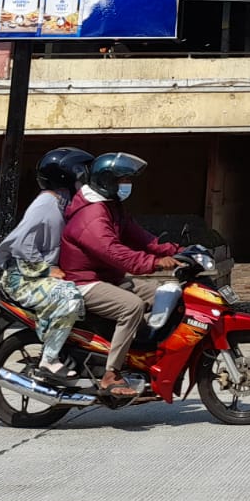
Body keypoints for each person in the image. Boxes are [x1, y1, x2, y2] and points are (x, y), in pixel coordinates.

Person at [59, 152, 180, 399]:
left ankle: (138, 355)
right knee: (131, 306)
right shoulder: (91, 215)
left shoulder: (112, 207)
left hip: (108, 278)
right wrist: (155, 263)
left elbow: (141, 237)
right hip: (85, 282)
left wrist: (177, 250)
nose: (128, 185)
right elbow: (116, 254)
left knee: (166, 293)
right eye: (123, 179)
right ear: (107, 180)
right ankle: (111, 374)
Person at [0, 147, 93, 388]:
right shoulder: (47, 203)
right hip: (23, 278)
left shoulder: (61, 204)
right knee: (68, 298)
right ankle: (48, 360)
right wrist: (47, 270)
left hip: (33, 276)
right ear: (67, 176)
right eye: (81, 174)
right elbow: (21, 244)